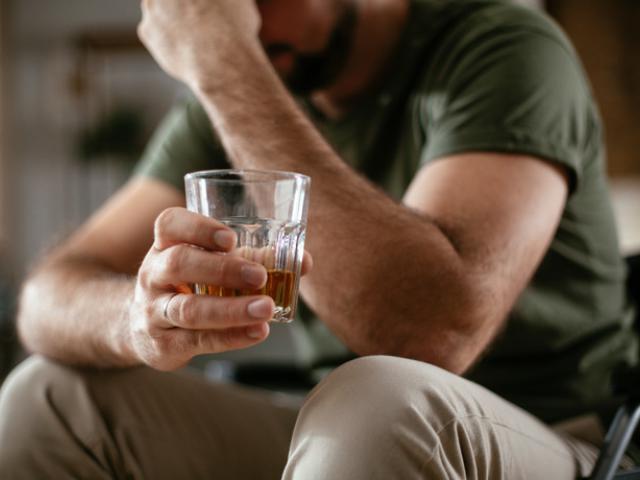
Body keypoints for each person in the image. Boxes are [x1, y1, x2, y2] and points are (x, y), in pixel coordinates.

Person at [0, 0, 635, 478]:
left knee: (372, 400)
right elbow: (50, 292)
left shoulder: (502, 47)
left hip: (562, 435)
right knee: (45, 398)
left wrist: (223, 63)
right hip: (342, 430)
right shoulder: (251, 80)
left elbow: (428, 336)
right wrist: (137, 319)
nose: (237, 19)